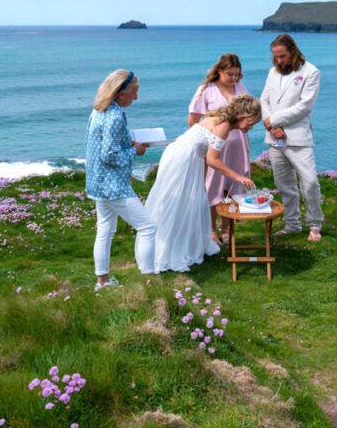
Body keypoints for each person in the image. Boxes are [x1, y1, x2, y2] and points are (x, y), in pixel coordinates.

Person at [149, 94, 259, 272]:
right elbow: (213, 160)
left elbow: (207, 156)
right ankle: (171, 250)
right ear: (243, 116)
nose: (252, 127)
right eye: (252, 122)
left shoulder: (219, 119)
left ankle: (185, 244)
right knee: (179, 202)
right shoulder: (223, 125)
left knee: (193, 201)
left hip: (180, 154)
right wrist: (238, 177)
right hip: (185, 158)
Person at [85, 70, 157, 291]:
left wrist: (128, 143)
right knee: (148, 227)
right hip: (114, 185)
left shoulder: (98, 110)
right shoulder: (115, 116)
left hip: (98, 183)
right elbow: (110, 155)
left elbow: (102, 147)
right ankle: (149, 282)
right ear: (120, 94)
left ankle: (103, 282)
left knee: (105, 231)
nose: (136, 97)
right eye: (134, 92)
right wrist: (135, 151)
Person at [260, 34, 324, 242]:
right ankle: (292, 224)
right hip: (274, 138)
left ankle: (315, 223)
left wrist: (274, 121)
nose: (279, 61)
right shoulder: (272, 72)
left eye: (283, 56)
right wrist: (271, 125)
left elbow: (304, 106)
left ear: (293, 51)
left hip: (297, 137)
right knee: (284, 184)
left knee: (310, 181)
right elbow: (264, 99)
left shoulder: (311, 72)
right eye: (276, 57)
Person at [188, 53, 252, 244]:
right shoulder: (206, 89)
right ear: (220, 71)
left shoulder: (240, 88)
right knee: (212, 187)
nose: (233, 78)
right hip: (215, 148)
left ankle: (227, 228)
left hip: (238, 145)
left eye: (237, 75)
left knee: (232, 187)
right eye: (230, 74)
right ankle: (211, 230)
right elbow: (192, 121)